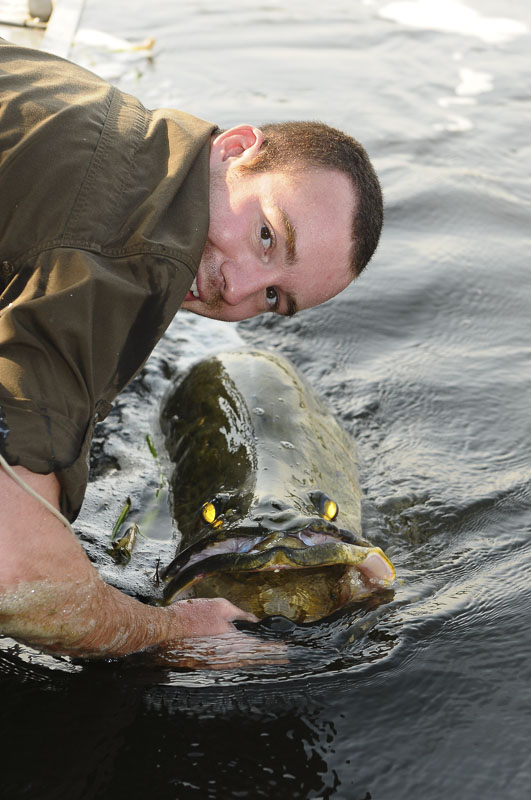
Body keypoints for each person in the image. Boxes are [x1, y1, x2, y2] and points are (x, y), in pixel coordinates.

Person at [0, 39, 383, 661]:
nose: (237, 289)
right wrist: (165, 630)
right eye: (265, 236)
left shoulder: (102, 120)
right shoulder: (123, 257)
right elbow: (16, 576)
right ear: (236, 149)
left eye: (272, 299)